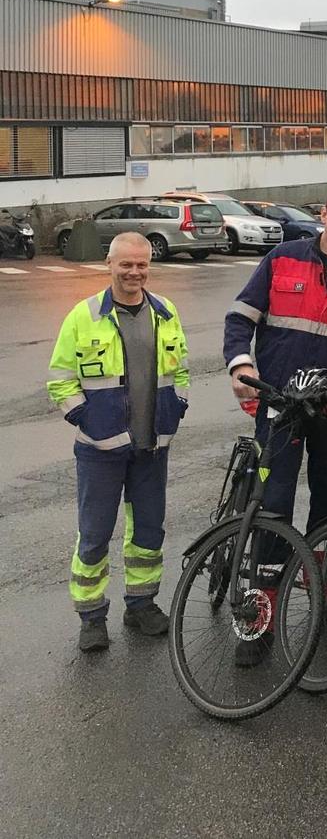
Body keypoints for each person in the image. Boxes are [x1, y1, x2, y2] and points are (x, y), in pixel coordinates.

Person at [223, 181, 327, 660]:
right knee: (272, 506)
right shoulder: (283, 257)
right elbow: (240, 318)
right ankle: (260, 614)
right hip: (280, 405)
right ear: (323, 214)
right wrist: (241, 366)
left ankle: (323, 587)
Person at [46, 232, 189, 652]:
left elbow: (180, 369)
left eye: (141, 264)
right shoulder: (83, 315)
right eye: (125, 264)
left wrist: (178, 404)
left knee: (148, 532)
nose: (134, 272)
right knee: (94, 535)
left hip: (152, 447)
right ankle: (91, 618)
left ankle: (141, 605)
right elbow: (59, 378)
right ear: (109, 264)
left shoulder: (165, 311)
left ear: (149, 265)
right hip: (99, 450)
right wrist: (85, 418)